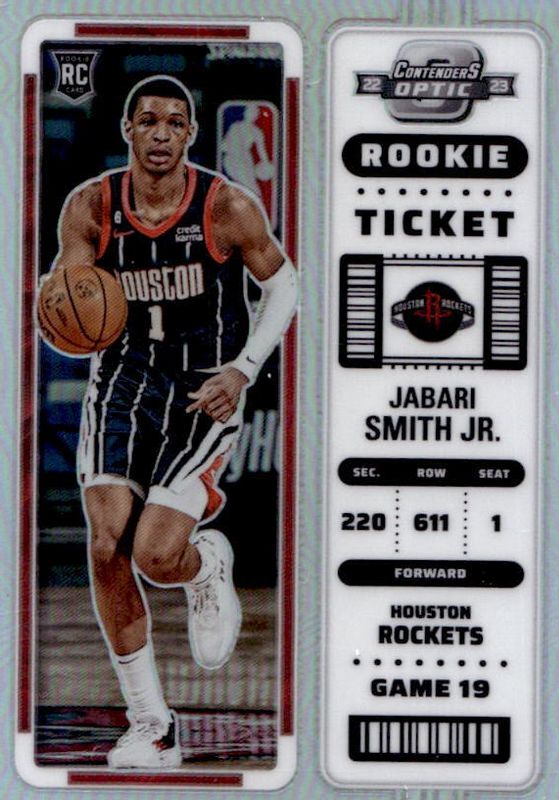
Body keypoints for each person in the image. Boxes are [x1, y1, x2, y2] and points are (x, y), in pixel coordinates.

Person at [50, 75, 297, 769]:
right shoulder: (91, 206)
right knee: (106, 543)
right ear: (127, 129)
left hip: (203, 384)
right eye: (148, 120)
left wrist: (243, 369)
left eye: (175, 122)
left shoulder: (227, 206)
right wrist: (62, 307)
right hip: (125, 378)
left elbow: (283, 283)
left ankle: (203, 565)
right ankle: (151, 724)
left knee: (155, 557)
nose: (161, 133)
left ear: (189, 134)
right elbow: (69, 291)